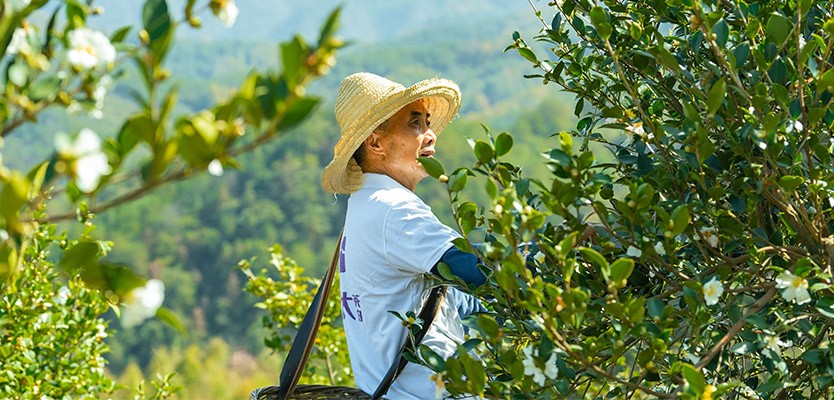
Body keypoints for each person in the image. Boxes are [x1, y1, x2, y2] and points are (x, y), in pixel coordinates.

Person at [321, 72, 486, 399]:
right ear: (376, 143)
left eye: (428, 122)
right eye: (415, 124)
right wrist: (555, 253)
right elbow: (476, 271)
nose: (430, 135)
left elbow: (451, 300)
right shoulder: (392, 209)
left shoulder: (365, 207)